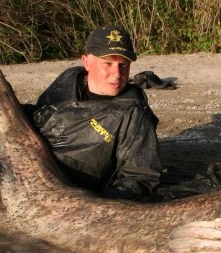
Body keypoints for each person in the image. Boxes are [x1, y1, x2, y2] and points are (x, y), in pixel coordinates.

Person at [26, 25, 163, 201]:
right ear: (86, 62)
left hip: (79, 195)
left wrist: (97, 203)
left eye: (123, 65)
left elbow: (141, 177)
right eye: (108, 64)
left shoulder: (134, 114)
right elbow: (37, 115)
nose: (117, 74)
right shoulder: (67, 82)